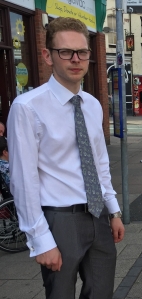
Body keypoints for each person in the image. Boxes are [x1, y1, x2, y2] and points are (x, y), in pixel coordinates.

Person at [7, 17, 125, 299]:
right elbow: (23, 180)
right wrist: (40, 240)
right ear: (48, 56)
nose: (76, 59)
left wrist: (114, 210)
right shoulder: (27, 107)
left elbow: (99, 163)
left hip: (98, 216)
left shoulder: (93, 105)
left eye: (82, 52)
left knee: (101, 293)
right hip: (60, 221)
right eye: (66, 52)